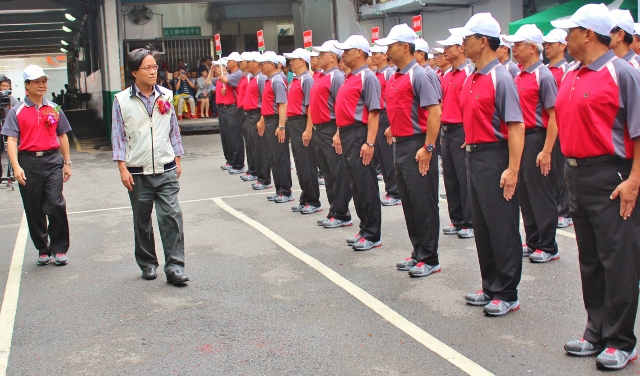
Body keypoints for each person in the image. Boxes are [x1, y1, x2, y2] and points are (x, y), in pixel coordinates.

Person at [551, 4, 640, 369]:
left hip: (611, 176)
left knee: (617, 259)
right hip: (577, 174)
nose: (564, 38)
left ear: (588, 33)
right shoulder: (572, 73)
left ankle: (621, 340)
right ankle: (596, 331)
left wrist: (634, 180)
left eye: (570, 31)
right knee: (589, 258)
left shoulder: (623, 73)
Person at [450, 12, 525, 316]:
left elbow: (516, 125)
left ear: (482, 42)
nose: (462, 44)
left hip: (495, 158)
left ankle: (507, 291)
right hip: (475, 156)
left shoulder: (501, 77)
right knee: (482, 225)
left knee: (502, 224)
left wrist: (513, 168)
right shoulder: (472, 77)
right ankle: (490, 283)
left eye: (466, 39)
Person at [111, 47, 188, 286]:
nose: (154, 71)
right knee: (141, 221)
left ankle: (175, 267)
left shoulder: (165, 95)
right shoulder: (121, 100)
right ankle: (147, 263)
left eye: (155, 66)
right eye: (148, 67)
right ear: (135, 72)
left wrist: (177, 158)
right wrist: (122, 168)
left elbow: (173, 129)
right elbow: (118, 137)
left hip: (165, 168)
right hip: (137, 171)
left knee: (171, 218)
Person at [375, 24, 443, 276]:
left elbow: (434, 111)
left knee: (424, 201)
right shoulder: (395, 76)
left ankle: (430, 256)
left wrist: (428, 147)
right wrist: (394, 126)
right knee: (410, 202)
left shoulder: (419, 74)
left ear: (405, 47)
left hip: (417, 145)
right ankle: (418, 251)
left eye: (391, 45)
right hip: (401, 144)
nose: (387, 50)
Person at [1, 65, 72, 266]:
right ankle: (43, 248)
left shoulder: (55, 109)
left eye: (43, 81)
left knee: (56, 203)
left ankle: (59, 249)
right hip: (28, 162)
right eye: (36, 82)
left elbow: (63, 135)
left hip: (52, 161)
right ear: (26, 86)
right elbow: (12, 140)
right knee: (33, 208)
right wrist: (15, 166)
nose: (41, 85)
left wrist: (67, 163)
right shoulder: (17, 112)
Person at [503, 25, 560, 263]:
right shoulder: (518, 75)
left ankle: (548, 244)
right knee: (524, 191)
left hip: (538, 136)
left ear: (533, 48)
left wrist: (547, 151)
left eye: (518, 45)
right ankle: (534, 239)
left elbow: (554, 116)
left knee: (540, 192)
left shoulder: (543, 75)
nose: (514, 49)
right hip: (521, 137)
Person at [333, 35, 382, 251]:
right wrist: (338, 133)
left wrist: (369, 143)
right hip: (347, 133)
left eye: (347, 50)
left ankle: (373, 233)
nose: (343, 54)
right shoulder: (349, 77)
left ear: (360, 52)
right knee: (355, 183)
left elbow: (373, 112)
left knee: (366, 183)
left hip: (359, 133)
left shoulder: (367, 77)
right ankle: (364, 228)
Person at [310, 40, 353, 229]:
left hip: (331, 128)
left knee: (338, 172)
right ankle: (333, 209)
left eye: (323, 53)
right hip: (320, 129)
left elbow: (340, 106)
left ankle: (342, 213)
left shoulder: (336, 77)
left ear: (333, 57)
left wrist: (338, 132)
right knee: (327, 172)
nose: (318, 57)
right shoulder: (321, 76)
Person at [437, 34, 474, 239]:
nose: (445, 51)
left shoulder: (469, 72)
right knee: (450, 177)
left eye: (449, 47)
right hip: (447, 130)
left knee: (463, 177)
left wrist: (469, 132)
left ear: (461, 48)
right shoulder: (448, 74)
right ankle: (457, 219)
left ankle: (469, 222)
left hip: (462, 129)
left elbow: (471, 106)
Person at [283, 48, 322, 214]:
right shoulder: (296, 80)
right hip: (294, 123)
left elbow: (311, 106)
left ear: (302, 61)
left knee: (307, 163)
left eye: (294, 59)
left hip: (302, 122)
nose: (291, 62)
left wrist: (308, 129)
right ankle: (305, 198)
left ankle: (313, 201)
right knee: (299, 163)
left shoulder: (307, 80)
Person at [542, 28, 572, 229]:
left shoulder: (567, 70)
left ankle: (565, 210)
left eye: (551, 44)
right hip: (547, 129)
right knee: (549, 171)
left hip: (562, 127)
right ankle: (554, 207)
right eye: (545, 44)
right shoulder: (545, 70)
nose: (547, 48)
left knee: (562, 171)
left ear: (563, 46)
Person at [256, 51, 293, 203]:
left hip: (277, 120)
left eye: (262, 64)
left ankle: (286, 191)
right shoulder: (269, 80)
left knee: (280, 157)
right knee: (273, 156)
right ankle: (280, 190)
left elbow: (283, 104)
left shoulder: (277, 81)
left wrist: (281, 126)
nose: (260, 67)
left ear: (271, 64)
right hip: (270, 120)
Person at [370, 45, 401, 207]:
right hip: (378, 115)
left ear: (384, 55)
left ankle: (395, 191)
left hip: (386, 115)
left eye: (376, 53)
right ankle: (390, 189)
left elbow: (392, 98)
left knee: (388, 156)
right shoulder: (376, 74)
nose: (372, 56)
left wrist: (390, 122)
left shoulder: (389, 73)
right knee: (381, 155)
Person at [242, 52, 272, 191]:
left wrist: (262, 119)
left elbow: (264, 101)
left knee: (260, 149)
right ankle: (257, 174)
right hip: (249, 116)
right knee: (253, 147)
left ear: (256, 62)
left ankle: (264, 179)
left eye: (249, 62)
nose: (246, 64)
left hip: (257, 115)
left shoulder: (261, 79)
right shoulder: (252, 78)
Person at [219, 52, 246, 175]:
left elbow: (224, 79)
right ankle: (235, 163)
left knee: (236, 137)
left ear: (235, 62)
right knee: (232, 136)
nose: (227, 63)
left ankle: (238, 164)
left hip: (234, 107)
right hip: (229, 107)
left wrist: (222, 74)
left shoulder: (237, 74)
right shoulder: (233, 74)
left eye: (229, 61)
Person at [237, 51, 257, 182]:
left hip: (254, 114)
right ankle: (252, 169)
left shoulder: (256, 78)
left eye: (246, 61)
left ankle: (257, 172)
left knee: (255, 145)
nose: (243, 63)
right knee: (249, 143)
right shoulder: (246, 77)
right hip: (245, 112)